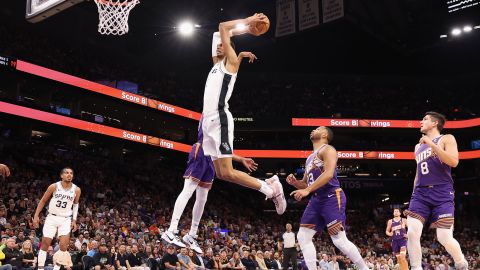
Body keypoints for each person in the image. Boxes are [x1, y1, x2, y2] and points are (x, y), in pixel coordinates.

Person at [200, 13, 286, 215]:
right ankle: (269, 184)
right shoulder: (216, 66)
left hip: (219, 118)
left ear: (230, 50)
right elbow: (217, 33)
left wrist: (248, 22)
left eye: (224, 44)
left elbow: (222, 26)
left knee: (228, 170)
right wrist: (245, 30)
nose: (220, 45)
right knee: (222, 174)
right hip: (208, 122)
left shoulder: (230, 63)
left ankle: (271, 190)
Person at [287, 127, 369, 270]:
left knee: (339, 241)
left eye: (317, 128)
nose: (313, 130)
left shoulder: (328, 149)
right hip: (316, 199)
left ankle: (364, 268)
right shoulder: (309, 158)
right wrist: (296, 183)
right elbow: (306, 183)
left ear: (324, 135)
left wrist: (306, 190)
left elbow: (329, 174)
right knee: (302, 236)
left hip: (331, 196)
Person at [162, 137, 258, 255]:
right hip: (202, 150)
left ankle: (191, 235)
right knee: (188, 190)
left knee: (202, 198)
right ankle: (171, 230)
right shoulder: (214, 119)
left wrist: (240, 159)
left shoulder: (226, 125)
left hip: (212, 157)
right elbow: (218, 144)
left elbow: (221, 148)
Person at [404, 112, 468, 270]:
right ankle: (416, 267)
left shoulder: (447, 138)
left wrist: (432, 145)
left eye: (424, 119)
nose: (421, 121)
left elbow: (453, 162)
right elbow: (418, 173)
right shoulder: (418, 146)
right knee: (412, 232)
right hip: (420, 194)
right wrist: (413, 194)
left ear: (434, 123)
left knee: (444, 237)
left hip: (442, 193)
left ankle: (461, 262)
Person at [33, 167, 81, 270]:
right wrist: (36, 216)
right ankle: (40, 268)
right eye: (67, 173)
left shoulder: (76, 189)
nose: (69, 175)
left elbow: (76, 205)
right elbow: (42, 201)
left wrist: (74, 220)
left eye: (71, 173)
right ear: (61, 175)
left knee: (64, 247)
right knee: (45, 243)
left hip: (65, 219)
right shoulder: (54, 186)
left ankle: (56, 268)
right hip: (52, 218)